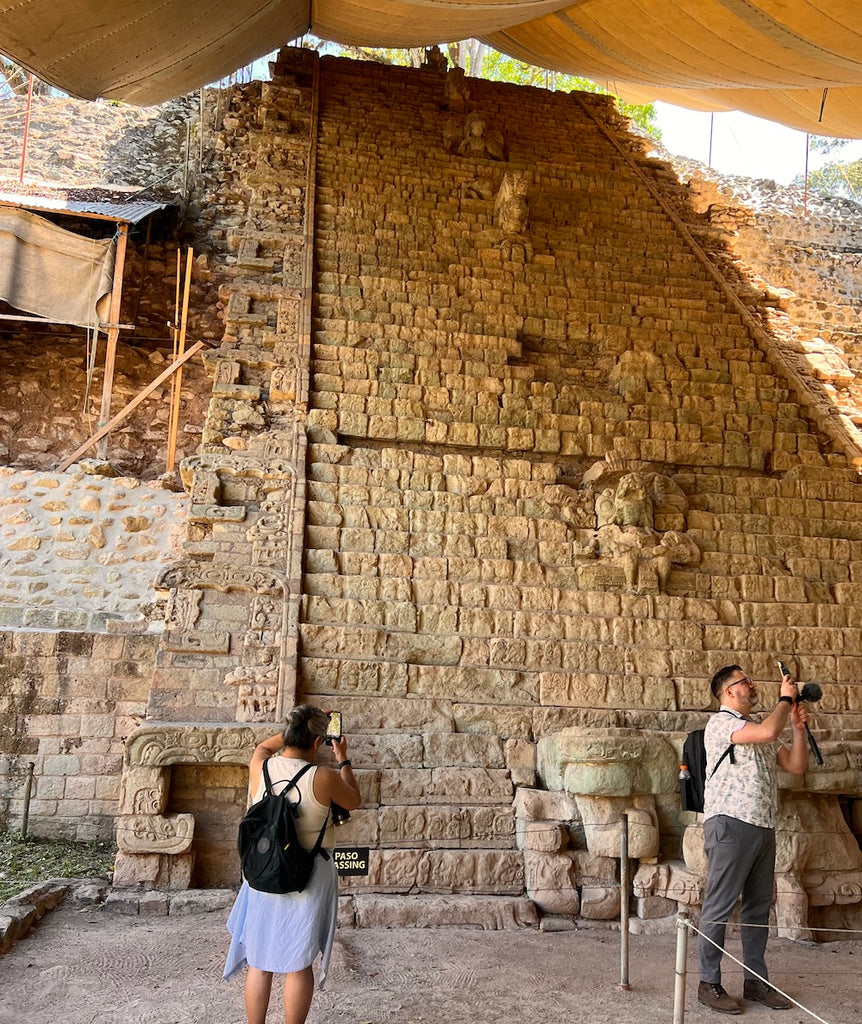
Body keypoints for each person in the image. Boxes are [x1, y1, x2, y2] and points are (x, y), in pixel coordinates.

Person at [224, 704, 362, 1024]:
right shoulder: (324, 777)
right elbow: (353, 799)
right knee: (298, 963)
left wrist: (296, 727)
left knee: (259, 961)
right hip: (308, 878)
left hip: (263, 873)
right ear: (318, 742)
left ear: (287, 734)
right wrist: (343, 758)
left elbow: (262, 747)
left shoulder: (261, 767)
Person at [697, 665, 810, 1014]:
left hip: (762, 824)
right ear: (728, 692)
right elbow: (766, 731)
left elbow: (795, 765)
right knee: (719, 904)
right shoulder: (722, 723)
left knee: (758, 908)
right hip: (730, 823)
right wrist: (784, 699)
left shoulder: (757, 727)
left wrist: (797, 728)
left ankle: (755, 981)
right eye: (744, 681)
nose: (751, 685)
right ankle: (708, 982)